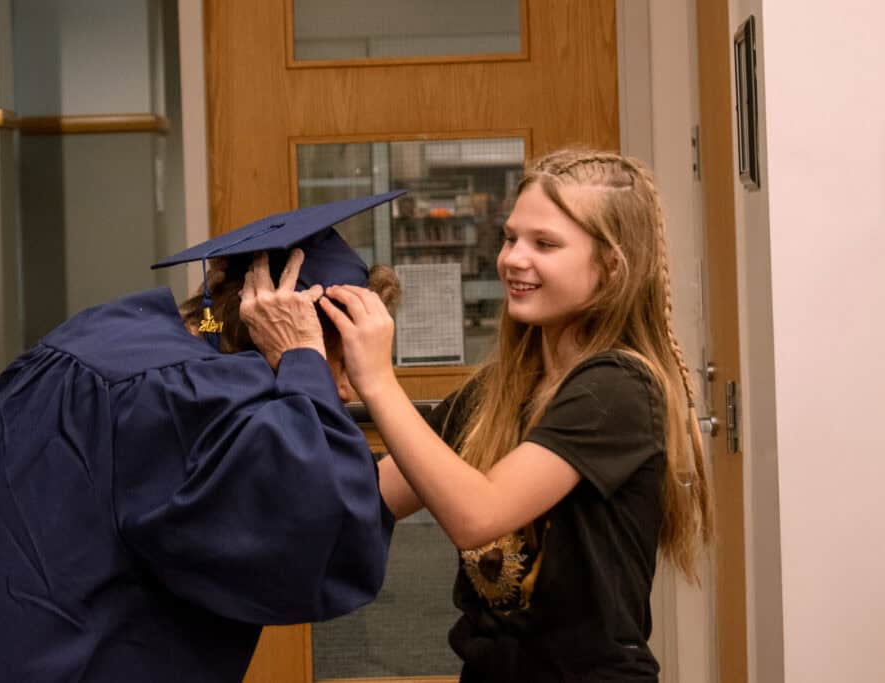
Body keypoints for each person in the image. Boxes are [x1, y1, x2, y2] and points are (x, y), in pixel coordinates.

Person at [0, 192, 403, 683]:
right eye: (345, 362)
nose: (347, 389)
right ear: (280, 323)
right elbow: (315, 525)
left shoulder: (101, 341)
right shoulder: (191, 397)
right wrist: (301, 359)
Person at [243, 150, 714, 681]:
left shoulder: (618, 389)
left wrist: (376, 379)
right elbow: (364, 498)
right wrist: (301, 371)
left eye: (545, 244)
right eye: (512, 238)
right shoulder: (494, 394)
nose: (513, 258)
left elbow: (478, 516)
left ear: (611, 266)